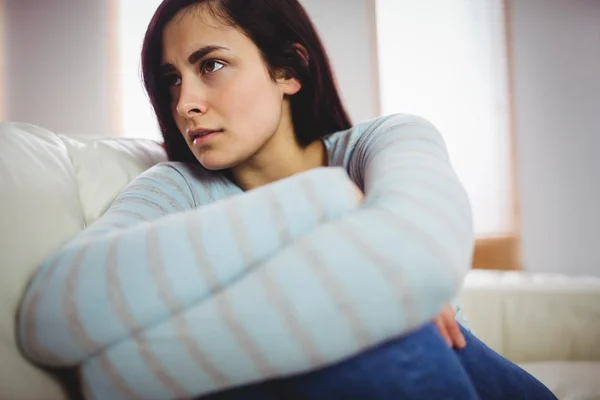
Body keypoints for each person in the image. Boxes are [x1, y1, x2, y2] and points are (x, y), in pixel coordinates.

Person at [16, 0, 557, 399]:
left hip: (452, 363)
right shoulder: (173, 187)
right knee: (390, 335)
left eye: (211, 65)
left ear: (288, 71)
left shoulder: (385, 143)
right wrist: (322, 204)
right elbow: (49, 317)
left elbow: (420, 253)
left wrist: (121, 368)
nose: (185, 103)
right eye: (171, 80)